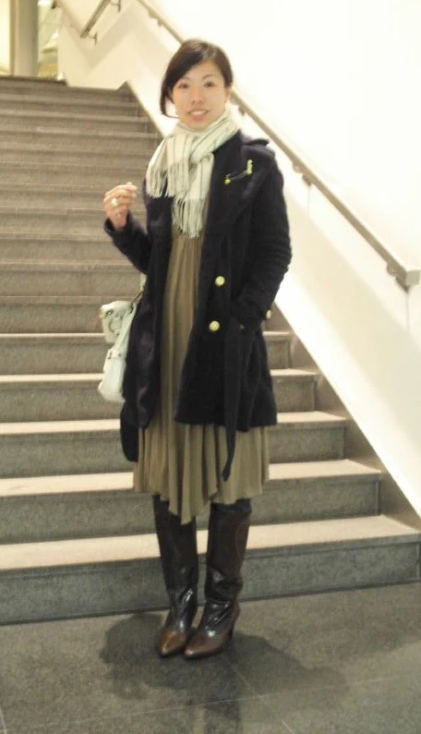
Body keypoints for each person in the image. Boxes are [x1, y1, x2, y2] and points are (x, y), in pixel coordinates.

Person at [103, 39, 291, 659]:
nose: (196, 97)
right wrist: (124, 227)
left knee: (229, 478)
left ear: (227, 91)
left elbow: (273, 253)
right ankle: (181, 603)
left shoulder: (254, 166)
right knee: (167, 478)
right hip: (168, 339)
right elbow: (158, 263)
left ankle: (221, 606)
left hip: (222, 344)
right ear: (169, 95)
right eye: (184, 86)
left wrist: (242, 322)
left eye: (208, 83)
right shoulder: (162, 164)